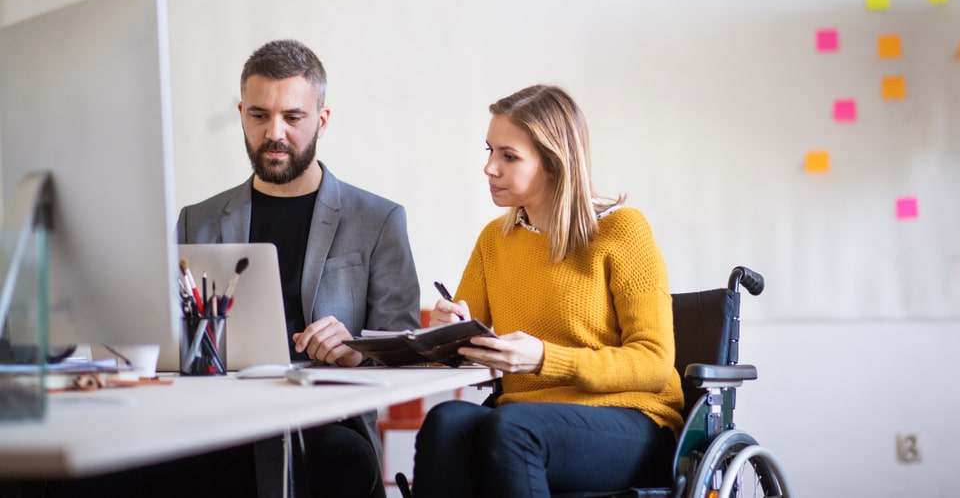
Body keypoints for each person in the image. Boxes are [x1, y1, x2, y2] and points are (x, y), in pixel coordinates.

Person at [411, 84, 683, 498]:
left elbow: (654, 363)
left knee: (512, 428)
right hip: (524, 418)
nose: (489, 168)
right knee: (445, 422)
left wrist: (543, 358)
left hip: (631, 417)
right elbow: (465, 349)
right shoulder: (495, 240)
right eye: (489, 151)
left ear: (554, 164)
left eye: (508, 156)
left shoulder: (622, 231)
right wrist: (448, 334)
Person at [176, 39, 421, 498]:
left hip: (326, 421)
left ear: (322, 121)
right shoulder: (198, 220)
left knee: (331, 463)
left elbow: (405, 346)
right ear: (241, 113)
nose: (274, 133)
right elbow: (171, 333)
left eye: (293, 117)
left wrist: (355, 352)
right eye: (259, 115)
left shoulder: (379, 220)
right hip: (219, 420)